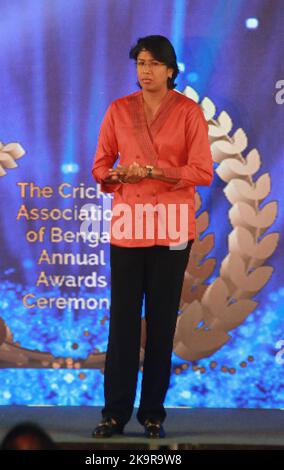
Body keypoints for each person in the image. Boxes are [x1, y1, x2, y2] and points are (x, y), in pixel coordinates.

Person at [91, 35, 213, 438]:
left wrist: (157, 171)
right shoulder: (119, 109)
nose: (146, 71)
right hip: (129, 226)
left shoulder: (189, 113)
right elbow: (100, 166)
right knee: (123, 324)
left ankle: (153, 414)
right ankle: (114, 414)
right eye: (140, 63)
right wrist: (114, 175)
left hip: (172, 225)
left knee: (161, 323)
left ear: (171, 70)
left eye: (154, 64)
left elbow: (202, 173)